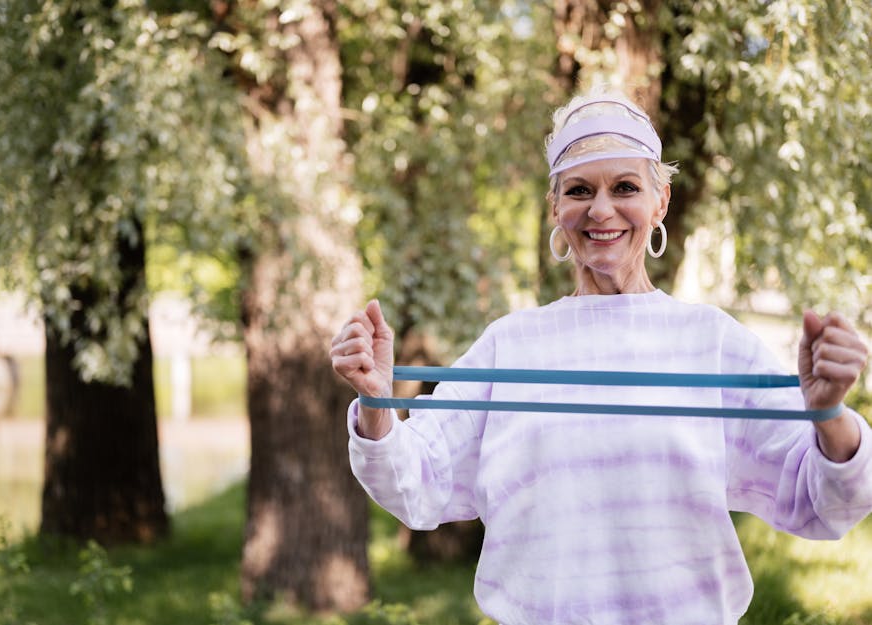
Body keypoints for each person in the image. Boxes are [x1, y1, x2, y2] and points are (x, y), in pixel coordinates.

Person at [330, 88, 872, 625]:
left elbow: (825, 504)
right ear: (556, 208)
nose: (601, 209)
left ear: (660, 201)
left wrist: (829, 415)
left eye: (626, 187)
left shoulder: (711, 341)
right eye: (580, 190)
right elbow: (418, 482)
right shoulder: (509, 344)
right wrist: (376, 404)